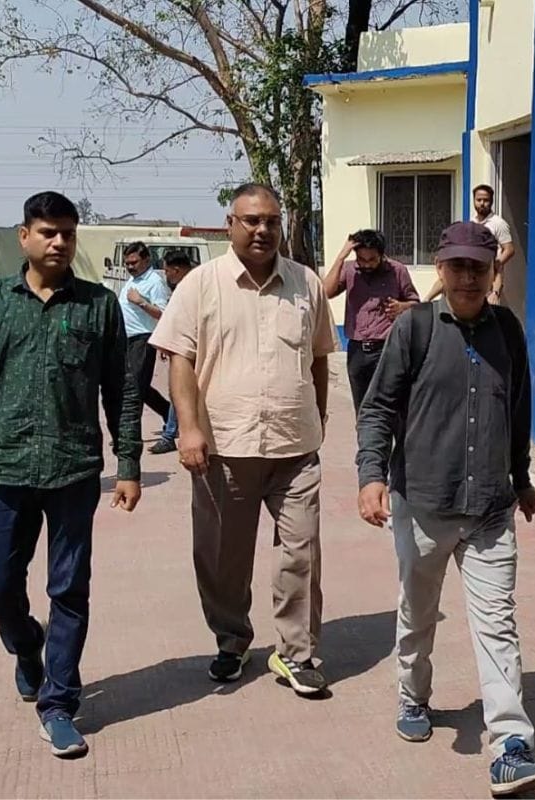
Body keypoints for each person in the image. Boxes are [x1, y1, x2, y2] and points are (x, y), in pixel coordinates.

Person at [0, 191, 142, 759]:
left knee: (69, 588)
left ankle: (59, 703)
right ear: (24, 236)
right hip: (6, 469)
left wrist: (129, 464)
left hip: (74, 472)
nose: (59, 242)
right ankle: (26, 645)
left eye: (68, 233)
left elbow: (122, 392)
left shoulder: (98, 305)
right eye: (48, 232)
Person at [356, 221, 535, 798]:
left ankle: (511, 745)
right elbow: (378, 409)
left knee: (497, 624)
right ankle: (413, 694)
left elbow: (517, 411)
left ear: (494, 272)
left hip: (490, 509)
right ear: (441, 270)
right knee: (418, 614)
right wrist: (371, 476)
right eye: (458, 266)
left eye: (479, 267)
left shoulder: (508, 331)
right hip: (422, 503)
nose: (468, 277)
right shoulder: (414, 328)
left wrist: (522, 480)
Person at [149, 183, 337, 697]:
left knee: (301, 551)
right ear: (230, 224)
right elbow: (180, 360)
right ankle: (231, 639)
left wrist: (318, 415)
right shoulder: (201, 284)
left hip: (294, 449)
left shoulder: (306, 283)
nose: (262, 230)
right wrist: (189, 429)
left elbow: (319, 356)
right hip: (224, 449)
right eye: (251, 220)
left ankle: (297, 653)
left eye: (271, 221)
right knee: (221, 557)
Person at [322, 228, 419, 415]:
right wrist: (341, 257)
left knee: (392, 407)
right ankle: (365, 435)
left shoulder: (397, 271)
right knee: (362, 408)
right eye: (361, 259)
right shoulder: (349, 270)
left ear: (381, 255)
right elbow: (325, 292)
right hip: (357, 351)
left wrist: (402, 307)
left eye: (372, 260)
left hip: (387, 348)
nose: (366, 264)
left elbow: (416, 303)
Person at [425, 184, 514, 305]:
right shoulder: (472, 222)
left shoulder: (498, 223)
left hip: (487, 270)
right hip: (470, 264)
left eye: (486, 200)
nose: (482, 203)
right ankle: (425, 301)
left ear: (491, 201)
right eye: (479, 200)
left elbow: (509, 249)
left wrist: (495, 264)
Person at [118, 242, 172, 428]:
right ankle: (170, 414)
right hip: (126, 339)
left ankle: (130, 431)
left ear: (146, 260)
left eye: (134, 262)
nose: (130, 267)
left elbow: (163, 313)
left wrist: (141, 302)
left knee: (134, 387)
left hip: (142, 339)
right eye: (127, 263)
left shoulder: (154, 282)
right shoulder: (132, 281)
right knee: (136, 385)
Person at [149, 251, 196, 455]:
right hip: (181, 345)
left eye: (167, 271)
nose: (166, 275)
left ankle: (170, 435)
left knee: (180, 389)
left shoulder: (194, 285)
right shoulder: (182, 287)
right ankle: (171, 432)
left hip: (191, 347)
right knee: (179, 390)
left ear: (176, 270)